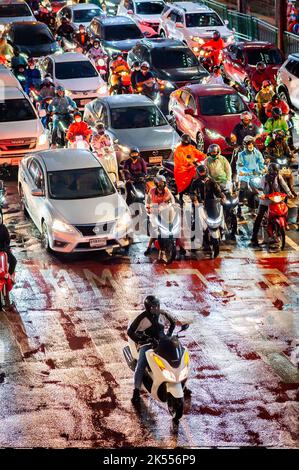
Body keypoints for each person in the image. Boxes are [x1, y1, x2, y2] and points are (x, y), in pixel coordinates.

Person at [127, 295, 176, 404]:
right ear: (148, 308)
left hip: (163, 342)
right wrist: (140, 340)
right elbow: (130, 332)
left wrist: (169, 335)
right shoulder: (142, 318)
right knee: (141, 365)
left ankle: (182, 385)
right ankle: (136, 391)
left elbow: (173, 322)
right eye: (154, 307)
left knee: (176, 359)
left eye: (157, 305)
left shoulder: (163, 314)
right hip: (148, 344)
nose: (156, 308)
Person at [250, 163, 293, 247]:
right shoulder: (264, 178)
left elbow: (284, 185)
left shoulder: (278, 177)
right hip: (265, 201)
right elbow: (260, 189)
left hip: (276, 200)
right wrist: (262, 194)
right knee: (259, 217)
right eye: (274, 171)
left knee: (284, 210)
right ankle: (254, 236)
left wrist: (289, 193)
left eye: (277, 171)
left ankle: (284, 224)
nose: (276, 173)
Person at [144, 175, 175, 256]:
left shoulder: (167, 191)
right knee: (155, 231)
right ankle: (149, 247)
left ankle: (179, 247)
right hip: (154, 211)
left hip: (164, 211)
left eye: (163, 183)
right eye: (160, 183)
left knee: (172, 227)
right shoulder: (152, 191)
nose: (162, 185)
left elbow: (170, 201)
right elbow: (147, 202)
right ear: (156, 183)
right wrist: (148, 209)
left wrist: (172, 206)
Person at [237, 135, 265, 217]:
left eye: (251, 144)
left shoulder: (257, 152)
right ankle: (240, 207)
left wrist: (263, 169)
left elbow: (261, 163)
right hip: (245, 176)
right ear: (245, 145)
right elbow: (240, 166)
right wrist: (245, 172)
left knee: (258, 190)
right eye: (248, 144)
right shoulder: (241, 155)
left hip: (255, 176)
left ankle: (253, 209)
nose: (250, 146)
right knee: (242, 188)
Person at [174, 134, 205, 203]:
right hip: (182, 169)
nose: (186, 143)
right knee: (182, 182)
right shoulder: (179, 150)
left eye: (187, 141)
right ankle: (180, 196)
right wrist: (192, 162)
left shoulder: (191, 147)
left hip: (191, 166)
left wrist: (205, 156)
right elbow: (183, 160)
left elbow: (198, 153)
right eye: (185, 141)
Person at [0, 210, 17, 280]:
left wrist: (5, 247)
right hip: (2, 249)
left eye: (0, 218)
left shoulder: (3, 228)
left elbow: (7, 240)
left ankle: (9, 275)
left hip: (3, 250)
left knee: (13, 261)